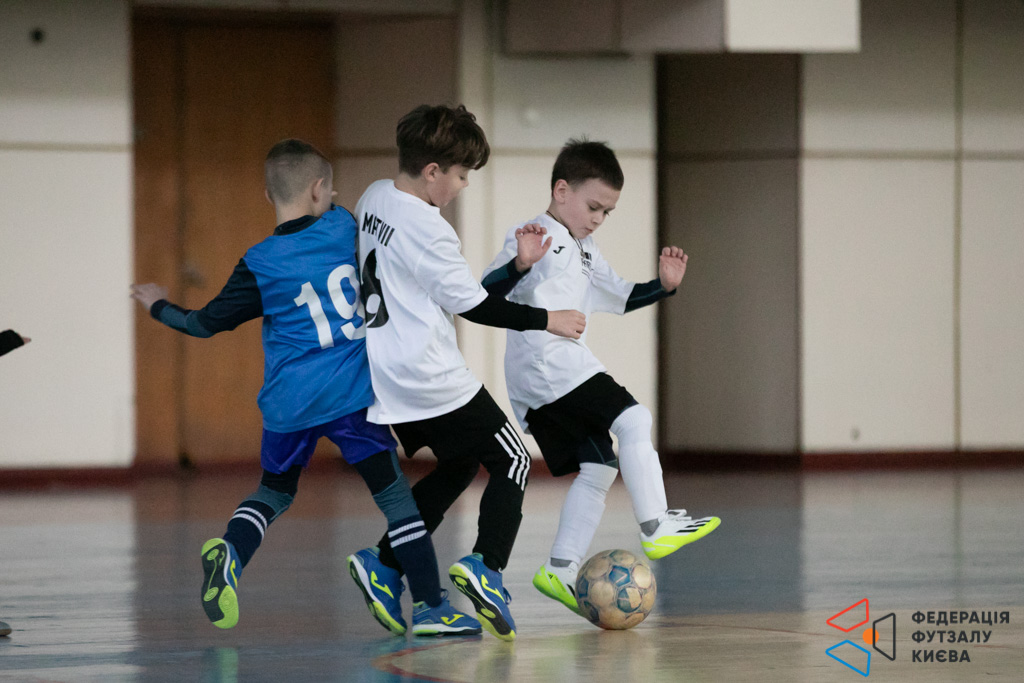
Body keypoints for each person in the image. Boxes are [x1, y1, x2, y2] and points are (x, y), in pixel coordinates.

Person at [131, 139, 479, 637]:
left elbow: (204, 325)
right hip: (349, 400)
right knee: (398, 503)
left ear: (266, 194)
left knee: (273, 492)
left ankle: (231, 552)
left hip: (288, 403)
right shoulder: (343, 227)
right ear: (320, 189)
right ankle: (430, 607)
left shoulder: (259, 262)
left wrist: (157, 306)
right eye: (330, 189)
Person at [347, 104, 586, 641]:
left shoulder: (374, 197)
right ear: (433, 170)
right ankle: (487, 568)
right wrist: (548, 319)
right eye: (460, 175)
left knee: (459, 464)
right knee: (514, 459)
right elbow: (476, 307)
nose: (463, 185)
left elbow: (461, 293)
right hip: (431, 376)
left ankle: (383, 563)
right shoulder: (429, 229)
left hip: (387, 375)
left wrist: (517, 267)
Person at [480, 138, 721, 614]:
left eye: (607, 212)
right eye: (593, 207)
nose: (597, 219)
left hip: (549, 376)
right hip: (549, 365)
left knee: (599, 467)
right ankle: (655, 526)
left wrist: (663, 286)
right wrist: (520, 262)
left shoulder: (585, 248)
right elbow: (486, 292)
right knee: (634, 419)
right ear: (561, 190)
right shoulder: (535, 235)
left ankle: (560, 568)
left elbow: (622, 296)